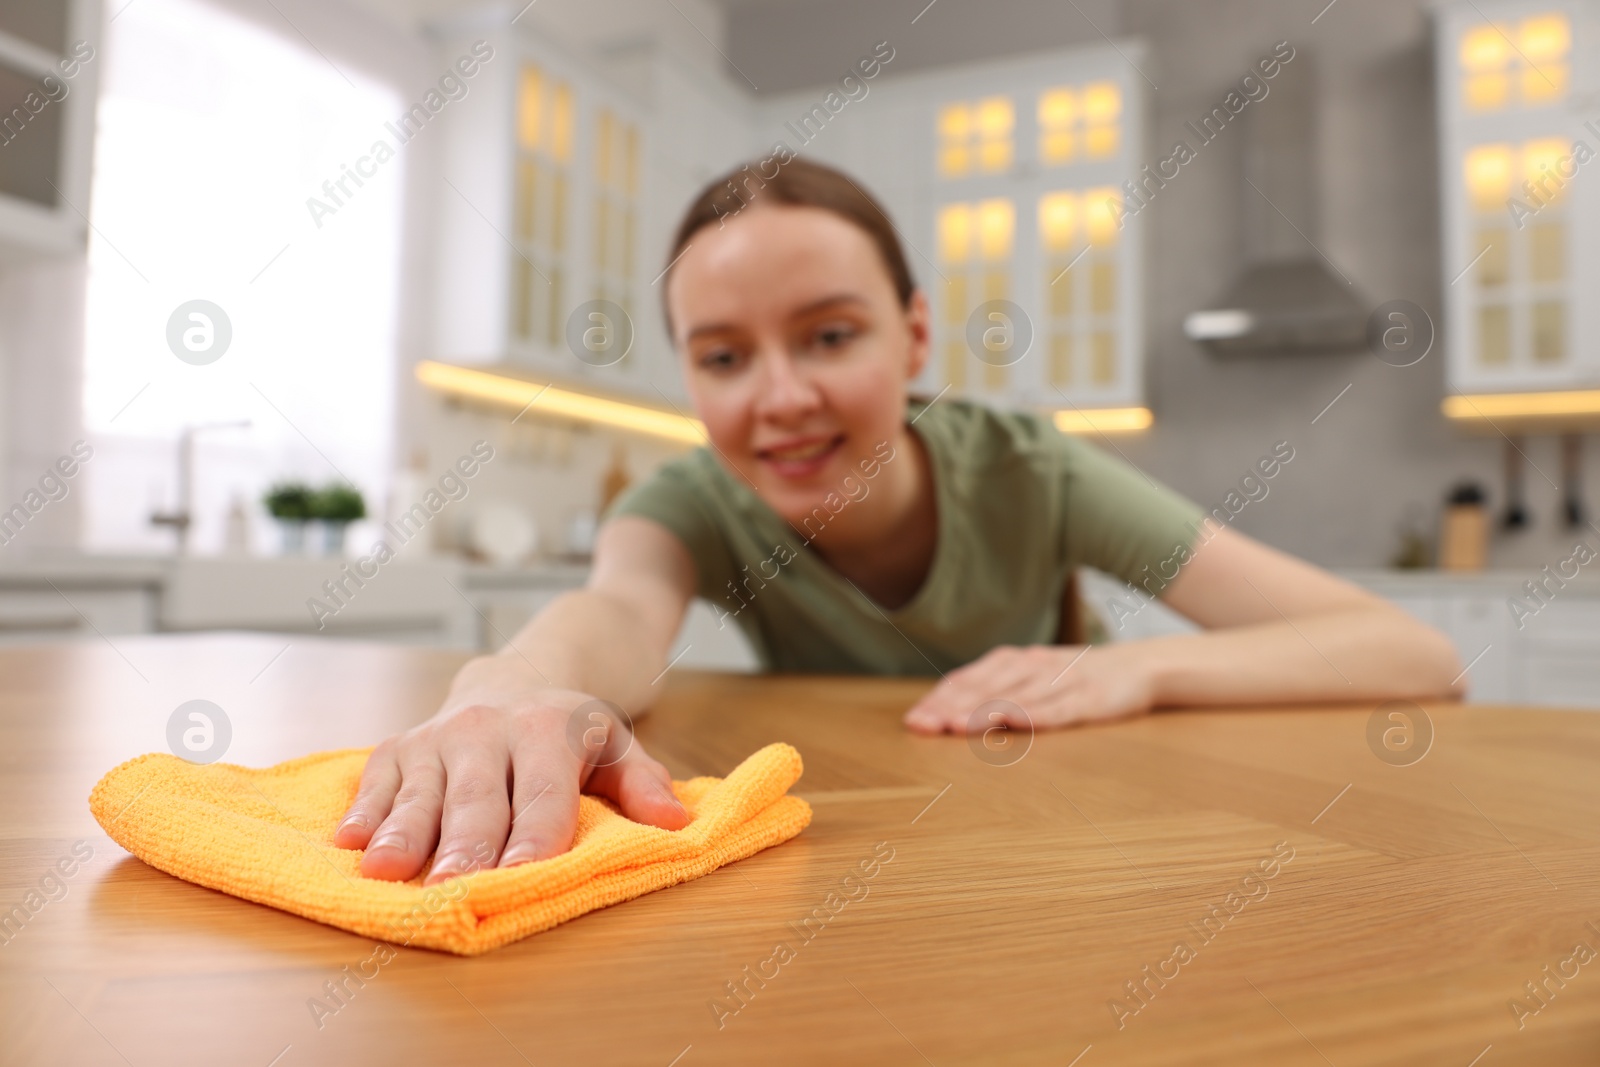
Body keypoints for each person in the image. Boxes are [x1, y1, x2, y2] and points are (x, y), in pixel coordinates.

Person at [334, 159, 1463, 884]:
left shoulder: (1033, 473)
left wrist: (1145, 673)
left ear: (913, 336)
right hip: (863, 842)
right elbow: (617, 613)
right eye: (723, 356)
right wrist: (510, 689)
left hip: (1074, 840)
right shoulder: (687, 500)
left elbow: (1412, 653)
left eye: (829, 335)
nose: (779, 396)